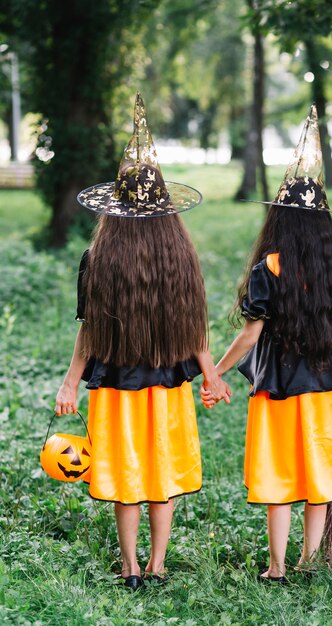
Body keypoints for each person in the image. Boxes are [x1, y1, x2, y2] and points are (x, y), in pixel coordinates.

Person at [55, 93, 230, 591]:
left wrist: (71, 383)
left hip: (116, 385)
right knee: (162, 469)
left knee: (128, 473)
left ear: (115, 204)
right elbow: (196, 324)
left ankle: (130, 566)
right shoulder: (181, 256)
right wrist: (211, 374)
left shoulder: (99, 256)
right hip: (168, 385)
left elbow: (88, 329)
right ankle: (157, 563)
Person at [202, 105, 332, 583]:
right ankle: (311, 561)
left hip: (276, 386)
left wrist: (217, 373)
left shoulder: (269, 267)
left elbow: (251, 332)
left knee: (278, 474)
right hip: (325, 387)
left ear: (281, 220)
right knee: (317, 475)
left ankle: (276, 568)